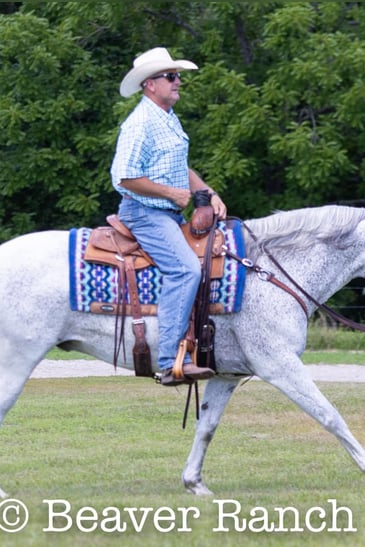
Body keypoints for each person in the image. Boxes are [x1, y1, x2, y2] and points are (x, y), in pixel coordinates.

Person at [110, 47, 227, 386]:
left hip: (166, 212)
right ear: (150, 84)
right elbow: (124, 177)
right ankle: (169, 362)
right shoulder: (140, 123)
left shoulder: (167, 118)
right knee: (185, 269)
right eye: (171, 77)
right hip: (145, 213)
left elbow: (178, 167)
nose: (178, 83)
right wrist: (172, 194)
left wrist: (209, 191)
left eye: (177, 76)